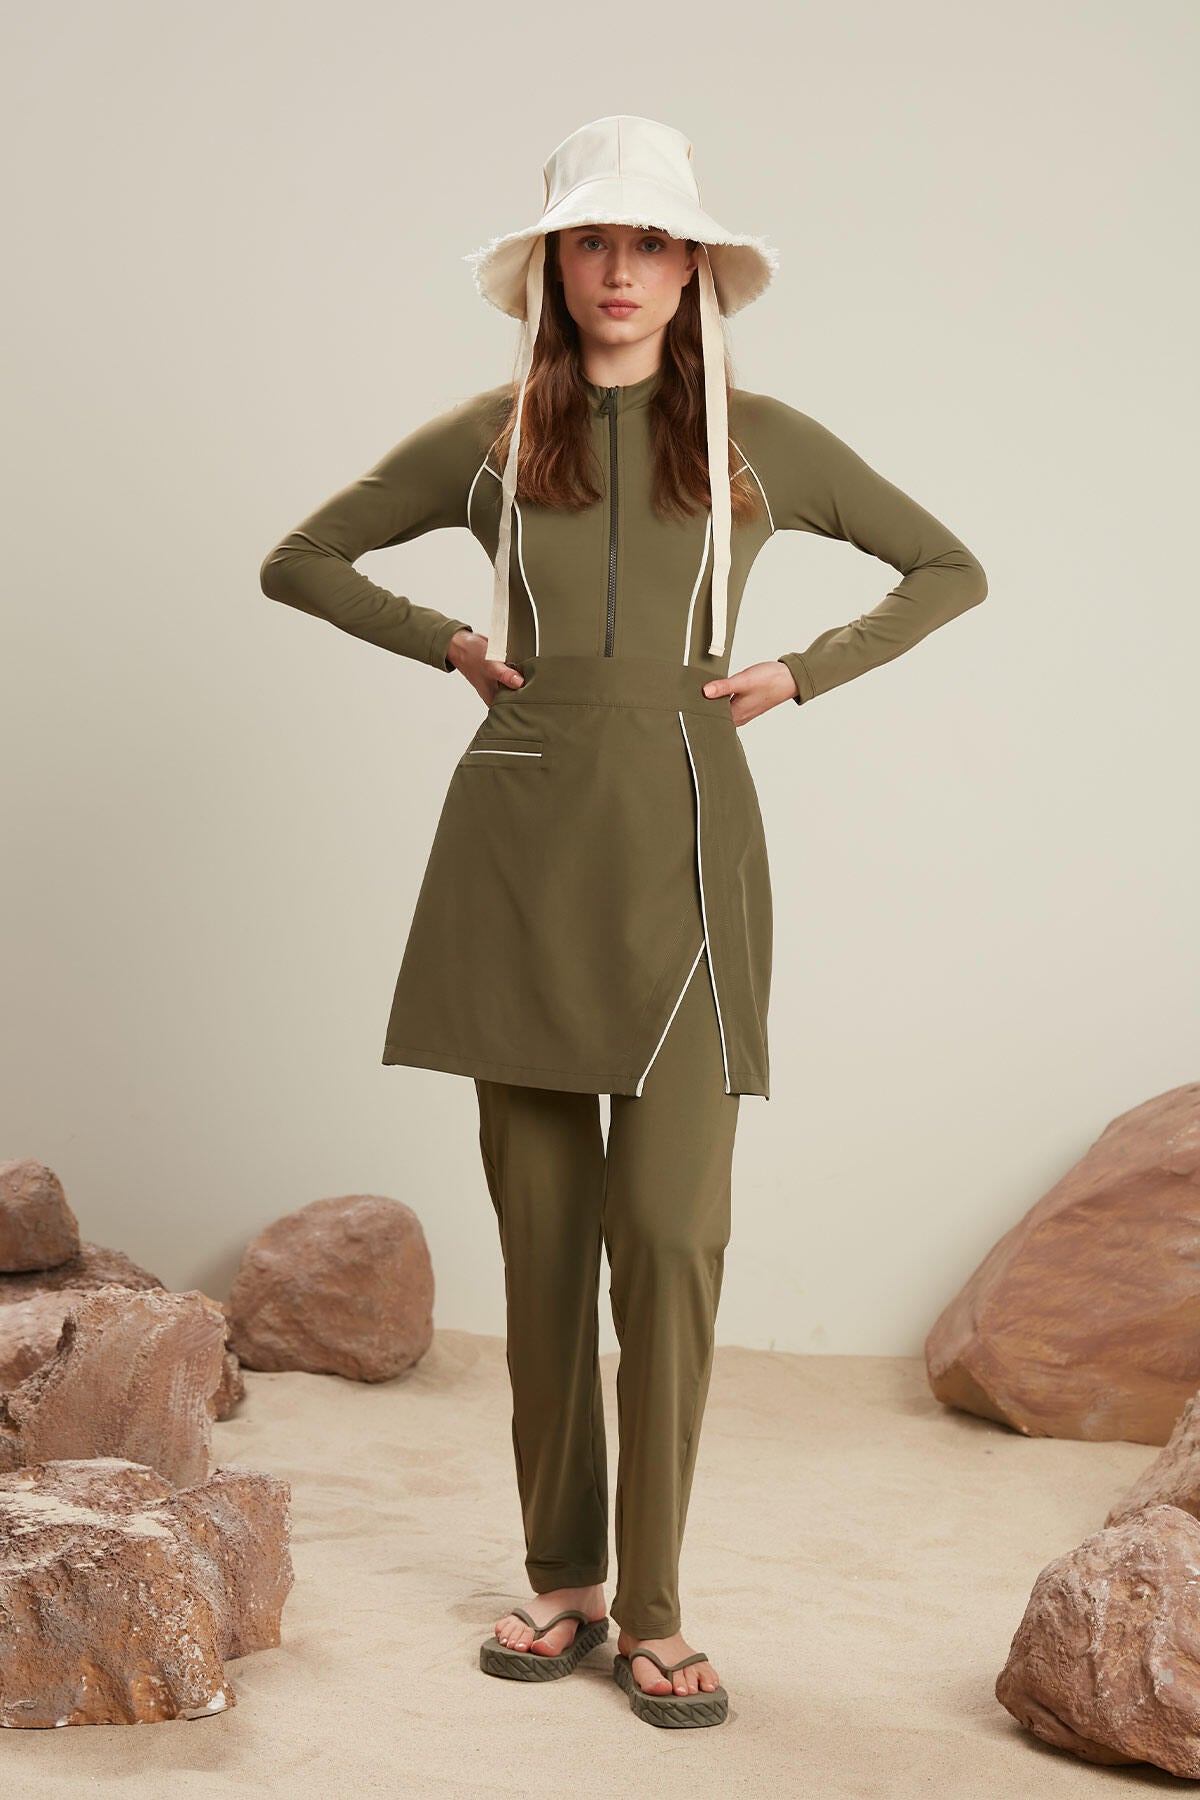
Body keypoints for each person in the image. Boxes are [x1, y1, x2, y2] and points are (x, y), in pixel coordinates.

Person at [259, 114, 987, 1730]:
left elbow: (946, 567)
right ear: (553, 264)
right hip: (516, 857)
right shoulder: (488, 439)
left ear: (694, 267)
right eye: (594, 239)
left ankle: (656, 1604)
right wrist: (448, 642)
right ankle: (566, 1581)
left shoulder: (756, 441)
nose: (621, 269)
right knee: (541, 1244)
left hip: (687, 850)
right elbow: (298, 558)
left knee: (666, 1238)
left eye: (651, 241)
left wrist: (806, 670)